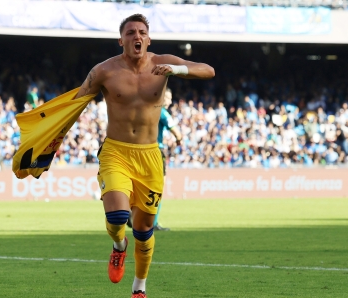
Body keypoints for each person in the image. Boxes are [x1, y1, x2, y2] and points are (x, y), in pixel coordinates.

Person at [73, 14, 215, 298]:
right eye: (130, 32)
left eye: (141, 32)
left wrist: (178, 71)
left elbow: (208, 70)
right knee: (117, 217)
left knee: (144, 229)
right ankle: (118, 247)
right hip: (116, 151)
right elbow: (75, 103)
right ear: (121, 40)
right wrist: (47, 138)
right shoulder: (104, 71)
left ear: (148, 39)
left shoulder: (163, 62)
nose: (136, 36)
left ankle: (139, 286)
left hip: (150, 155)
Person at [126, 88, 182, 231]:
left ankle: (130, 212)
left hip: (141, 151)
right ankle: (153, 223)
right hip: (156, 151)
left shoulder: (144, 110)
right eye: (168, 98)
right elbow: (177, 133)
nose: (170, 101)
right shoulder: (163, 113)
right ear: (161, 98)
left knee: (140, 184)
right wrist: (179, 140)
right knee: (157, 188)